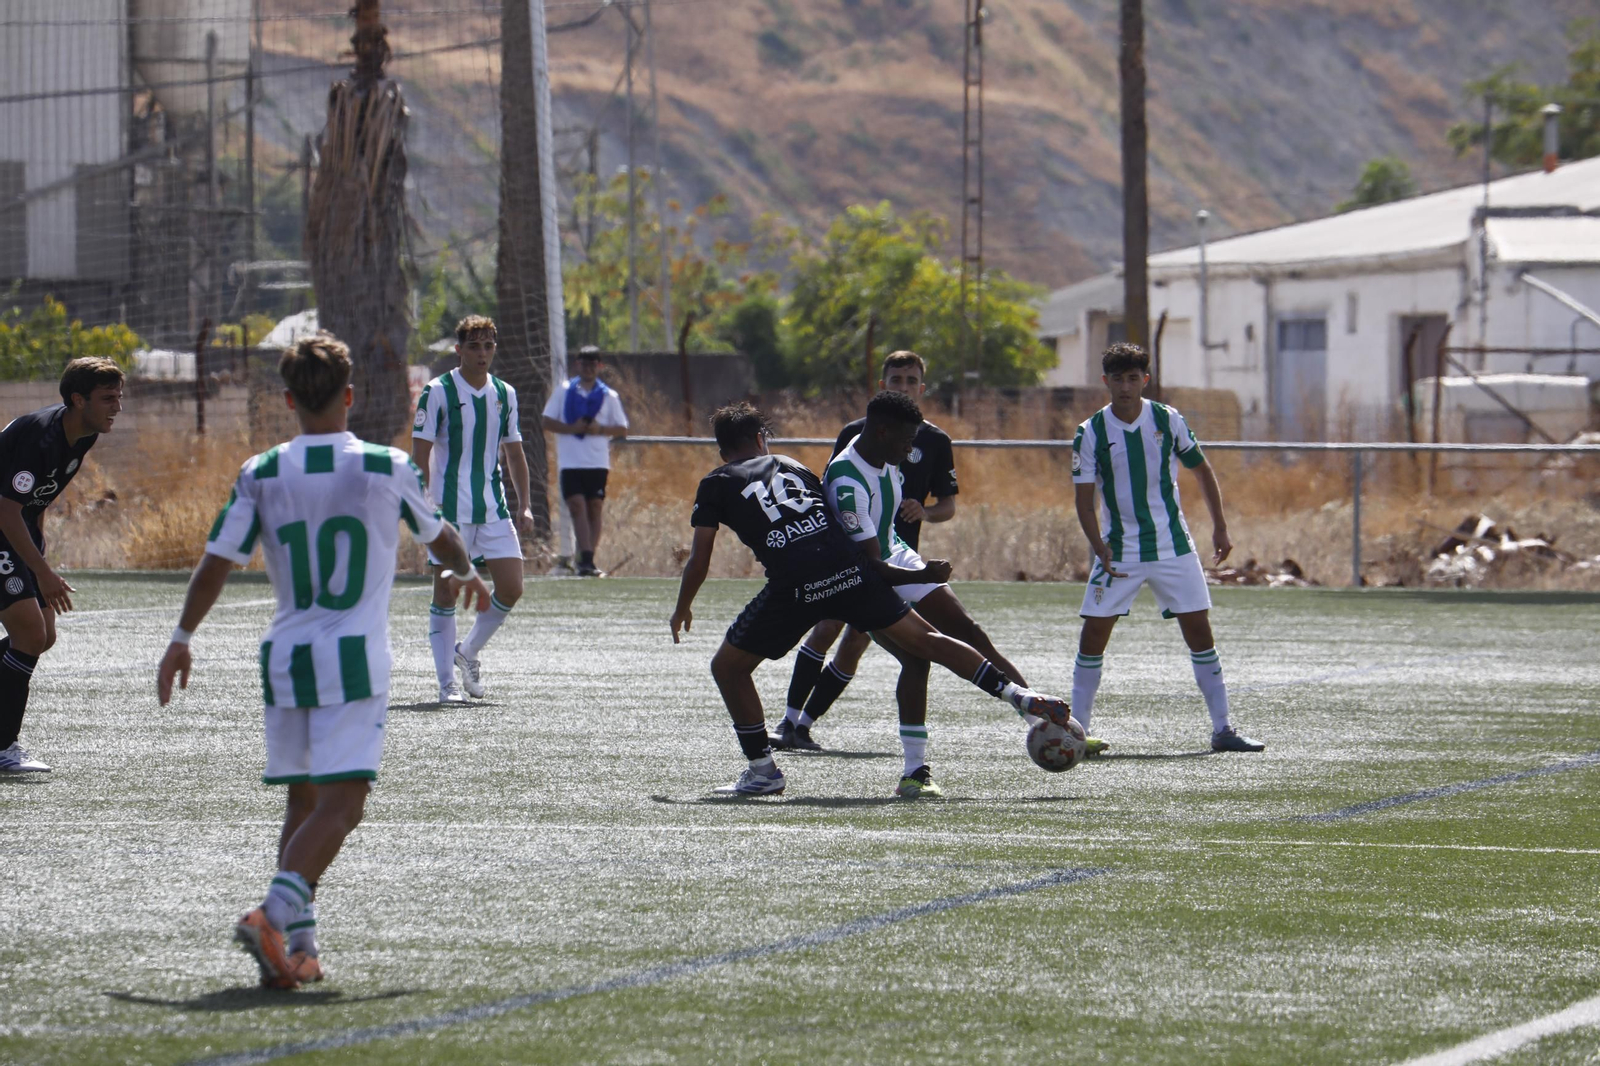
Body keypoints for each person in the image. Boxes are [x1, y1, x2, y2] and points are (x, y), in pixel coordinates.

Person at [156, 333, 491, 990]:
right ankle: (274, 915)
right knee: (345, 803)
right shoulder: (383, 465)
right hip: (353, 659)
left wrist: (180, 636)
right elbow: (442, 536)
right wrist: (467, 569)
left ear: (287, 399)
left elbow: (215, 563)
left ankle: (299, 947)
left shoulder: (260, 470)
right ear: (350, 395)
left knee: (303, 802)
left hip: (285, 656)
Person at [669, 402, 1072, 798]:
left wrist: (683, 605)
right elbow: (828, 523)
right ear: (761, 440)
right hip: (851, 571)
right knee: (926, 642)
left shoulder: (716, 482)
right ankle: (1020, 695)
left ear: (721, 450)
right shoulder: (793, 465)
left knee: (728, 667)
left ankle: (763, 770)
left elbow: (700, 556)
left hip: (795, 585)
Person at [1069, 342, 1264, 754]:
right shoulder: (1090, 433)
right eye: (1118, 379)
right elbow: (1083, 500)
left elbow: (1202, 470)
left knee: (1200, 633)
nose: (1126, 386)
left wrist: (1220, 528)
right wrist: (1098, 546)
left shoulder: (1166, 418)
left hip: (1172, 547)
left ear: (1146, 379)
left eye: (1133, 378)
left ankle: (1223, 729)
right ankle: (1077, 733)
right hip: (1118, 552)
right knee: (1093, 637)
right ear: (1105, 382)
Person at [777, 351, 959, 751]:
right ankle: (787, 721)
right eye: (897, 380)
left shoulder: (936, 440)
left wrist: (925, 511)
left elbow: (948, 504)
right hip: (855, 555)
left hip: (897, 554)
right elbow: (834, 489)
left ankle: (804, 725)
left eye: (912, 381)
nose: (904, 387)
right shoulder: (858, 434)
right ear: (882, 385)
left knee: (856, 642)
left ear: (922, 388)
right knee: (827, 626)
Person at [0, 356, 124, 773]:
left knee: (43, 635)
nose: (117, 407)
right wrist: (42, 572)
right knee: (29, 632)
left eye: (118, 397)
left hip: (14, 528)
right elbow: (5, 510)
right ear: (78, 399)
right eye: (108, 398)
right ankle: (3, 748)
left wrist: (40, 548)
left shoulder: (83, 435)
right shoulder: (41, 437)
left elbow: (35, 502)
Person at [412, 315, 534, 704]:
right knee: (446, 593)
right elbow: (420, 454)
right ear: (458, 350)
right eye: (474, 346)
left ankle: (467, 651)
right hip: (450, 511)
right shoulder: (437, 392)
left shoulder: (505, 393)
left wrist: (525, 505)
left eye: (488, 346)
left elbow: (514, 453)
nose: (482, 354)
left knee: (512, 586)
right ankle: (447, 683)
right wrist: (422, 506)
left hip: (493, 507)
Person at [541, 345, 628, 576]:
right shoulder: (564, 390)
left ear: (599, 367)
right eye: (584, 364)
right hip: (570, 462)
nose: (588, 368)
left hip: (597, 461)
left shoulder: (608, 396)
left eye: (593, 364)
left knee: (594, 507)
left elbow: (621, 428)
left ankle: (587, 556)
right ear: (577, 365)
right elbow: (547, 421)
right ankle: (585, 558)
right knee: (577, 506)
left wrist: (598, 429)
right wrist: (572, 428)